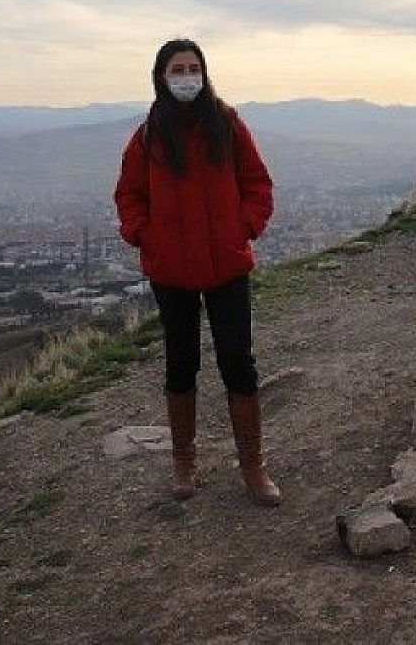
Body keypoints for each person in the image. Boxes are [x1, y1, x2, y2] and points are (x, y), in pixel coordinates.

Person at [113, 38, 281, 505]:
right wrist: (146, 236)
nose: (186, 77)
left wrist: (242, 229)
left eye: (193, 68)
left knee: (238, 364)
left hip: (226, 265)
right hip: (172, 271)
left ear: (204, 73)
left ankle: (253, 467)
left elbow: (257, 182)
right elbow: (129, 195)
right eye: (177, 70)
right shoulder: (148, 136)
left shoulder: (226, 124)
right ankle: (183, 463)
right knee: (180, 363)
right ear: (161, 78)